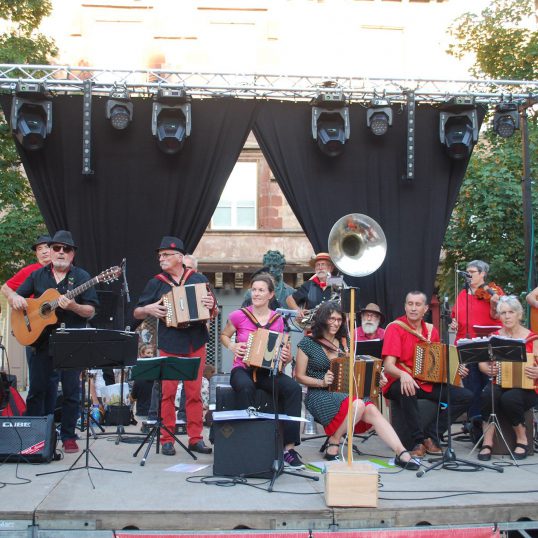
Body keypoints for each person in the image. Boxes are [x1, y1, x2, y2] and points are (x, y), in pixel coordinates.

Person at [295, 302, 419, 470]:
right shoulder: (308, 343)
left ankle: (401, 452)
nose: (336, 323)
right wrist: (321, 381)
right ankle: (335, 439)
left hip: (344, 392)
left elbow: (354, 371)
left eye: (339, 319)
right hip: (318, 394)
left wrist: (376, 378)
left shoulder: (344, 342)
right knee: (359, 404)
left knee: (372, 409)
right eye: (331, 318)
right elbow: (299, 376)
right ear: (322, 319)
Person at [7, 230, 98, 453]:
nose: (60, 252)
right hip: (40, 341)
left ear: (72, 254)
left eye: (66, 249)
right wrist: (17, 298)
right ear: (51, 250)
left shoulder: (83, 277)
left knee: (71, 391)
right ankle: (31, 434)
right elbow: (17, 296)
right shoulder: (38, 276)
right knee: (37, 390)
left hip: (70, 342)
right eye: (56, 248)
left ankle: (68, 435)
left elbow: (91, 311)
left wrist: (75, 306)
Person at [134, 236, 216, 456]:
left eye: (166, 255)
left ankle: (195, 438)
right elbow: (137, 312)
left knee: (194, 393)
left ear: (179, 257)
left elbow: (213, 310)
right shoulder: (157, 282)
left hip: (195, 341)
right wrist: (149, 309)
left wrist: (211, 305)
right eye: (159, 255)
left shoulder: (197, 278)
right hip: (170, 342)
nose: (161, 259)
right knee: (167, 393)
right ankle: (167, 438)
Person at [221, 273, 304, 468]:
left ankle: (289, 449)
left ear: (270, 295)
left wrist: (286, 357)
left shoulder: (278, 319)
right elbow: (224, 335)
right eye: (254, 289)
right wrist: (233, 347)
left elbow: (284, 347)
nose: (256, 294)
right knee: (245, 386)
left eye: (261, 290)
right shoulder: (239, 315)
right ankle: (249, 443)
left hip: (267, 372)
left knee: (293, 389)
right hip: (242, 368)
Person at [382, 291, 472, 458]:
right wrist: (404, 375)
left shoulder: (431, 331)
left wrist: (455, 370)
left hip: (425, 383)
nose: (413, 308)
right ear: (405, 306)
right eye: (410, 304)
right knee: (408, 388)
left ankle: (432, 434)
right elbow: (388, 367)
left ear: (425, 309)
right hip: (398, 381)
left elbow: (437, 367)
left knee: (465, 396)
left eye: (417, 304)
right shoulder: (395, 328)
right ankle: (417, 441)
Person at [476, 296, 538, 461]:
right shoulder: (494, 337)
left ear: (519, 315)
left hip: (528, 387)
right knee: (487, 395)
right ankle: (487, 442)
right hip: (500, 382)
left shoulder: (533, 338)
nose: (507, 316)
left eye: (511, 312)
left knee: (510, 398)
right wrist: (490, 370)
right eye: (503, 313)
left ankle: (522, 438)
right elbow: (482, 364)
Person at [450, 260, 503, 438]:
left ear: (483, 274)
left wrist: (495, 303)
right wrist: (454, 323)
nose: (468, 274)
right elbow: (456, 318)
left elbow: (497, 315)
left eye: (472, 271)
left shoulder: (494, 292)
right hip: (465, 343)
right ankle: (475, 424)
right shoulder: (462, 294)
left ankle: (487, 426)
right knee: (471, 386)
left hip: (487, 344)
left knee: (486, 386)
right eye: (467, 271)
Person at [1, 234, 51, 300]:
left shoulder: (63, 270)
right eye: (39, 249)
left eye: (47, 247)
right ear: (36, 254)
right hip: (32, 309)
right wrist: (15, 300)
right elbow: (5, 288)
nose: (44, 252)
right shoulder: (28, 271)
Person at [286, 252, 335, 318]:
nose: (320, 268)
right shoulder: (309, 285)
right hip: (313, 325)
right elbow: (289, 299)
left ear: (330, 268)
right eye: (317, 265)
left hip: (334, 323)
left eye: (323, 265)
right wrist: (298, 311)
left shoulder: (338, 283)